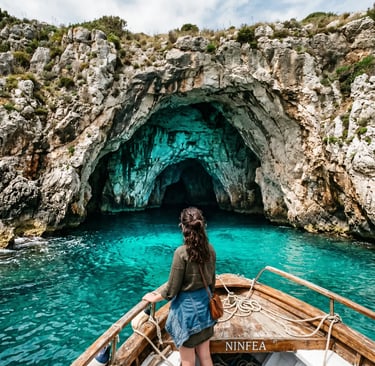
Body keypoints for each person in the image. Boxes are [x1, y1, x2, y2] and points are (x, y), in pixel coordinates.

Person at [143, 206, 217, 366]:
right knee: (205, 356)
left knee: (188, 361)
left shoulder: (181, 253)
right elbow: (212, 282)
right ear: (202, 226)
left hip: (187, 315)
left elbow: (172, 289)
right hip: (205, 308)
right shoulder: (210, 250)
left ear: (183, 227)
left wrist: (154, 297)